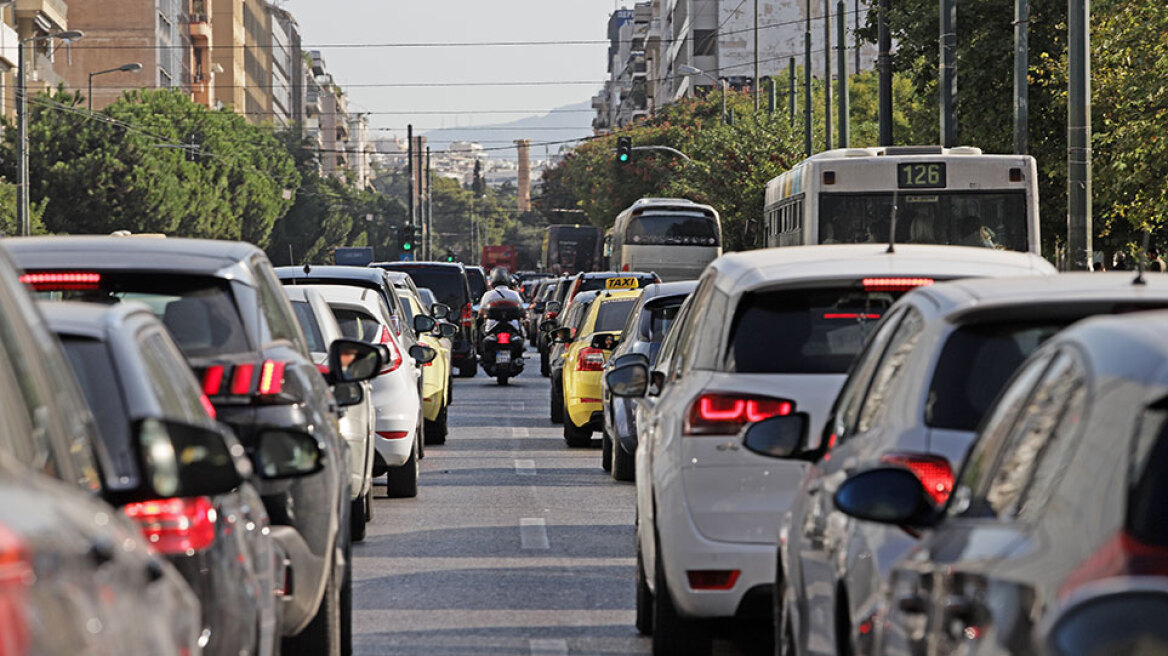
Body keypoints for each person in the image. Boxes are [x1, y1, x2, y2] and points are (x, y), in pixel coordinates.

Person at [479, 266, 525, 334]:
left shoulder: (488, 295)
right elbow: (522, 309)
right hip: (513, 326)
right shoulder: (515, 294)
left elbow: (481, 312)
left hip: (491, 327)